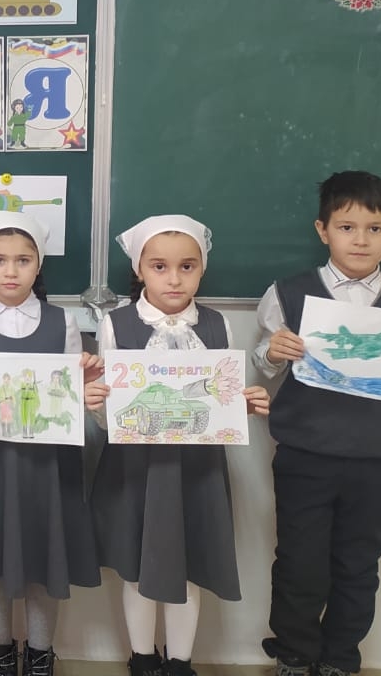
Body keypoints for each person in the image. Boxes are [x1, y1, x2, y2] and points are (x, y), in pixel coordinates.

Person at [252, 171, 381, 676]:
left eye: (375, 229)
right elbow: (264, 361)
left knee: (358, 563)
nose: (361, 239)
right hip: (306, 455)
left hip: (379, 458)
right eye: (347, 227)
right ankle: (294, 654)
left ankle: (340, 658)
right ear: (323, 229)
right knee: (300, 561)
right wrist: (273, 351)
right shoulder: (287, 293)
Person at [92, 215, 270, 676]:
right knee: (138, 566)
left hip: (197, 468)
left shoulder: (217, 325)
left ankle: (180, 663)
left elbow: (222, 400)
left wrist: (244, 405)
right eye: (159, 267)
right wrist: (95, 401)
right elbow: (109, 412)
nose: (174, 278)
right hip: (136, 466)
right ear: (139, 270)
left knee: (188, 564)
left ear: (202, 269)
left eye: (187, 267)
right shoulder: (115, 325)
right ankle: (142, 659)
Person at [0, 211, 104, 676]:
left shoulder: (63, 322)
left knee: (44, 557)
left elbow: (72, 397)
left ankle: (40, 653)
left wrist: (86, 386)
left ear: (39, 265)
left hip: (47, 464)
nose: (11, 271)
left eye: (23, 260)